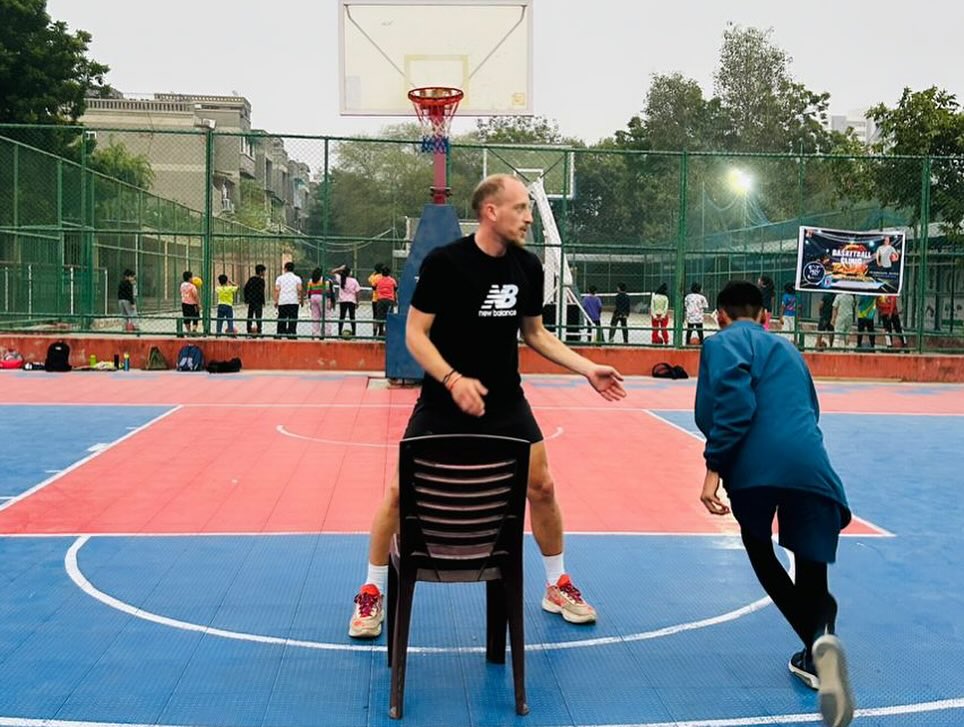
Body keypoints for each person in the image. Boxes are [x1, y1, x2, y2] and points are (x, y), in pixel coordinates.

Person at [348, 174, 626, 639]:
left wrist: (587, 368)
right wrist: (452, 379)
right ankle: (372, 589)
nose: (529, 217)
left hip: (504, 400)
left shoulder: (527, 267)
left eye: (529, 209)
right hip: (443, 397)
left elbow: (535, 333)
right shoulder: (444, 263)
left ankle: (557, 583)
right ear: (491, 211)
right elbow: (415, 334)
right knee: (399, 493)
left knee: (542, 486)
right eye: (521, 208)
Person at [695, 280, 854, 727]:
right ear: (766, 316)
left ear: (720, 316)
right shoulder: (789, 350)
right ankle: (819, 643)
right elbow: (810, 409)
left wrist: (713, 469)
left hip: (754, 467)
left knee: (759, 547)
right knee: (810, 561)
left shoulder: (721, 342)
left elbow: (731, 406)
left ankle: (816, 639)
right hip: (810, 464)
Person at [274, 261, 303, 339]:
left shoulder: (280, 278)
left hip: (283, 301)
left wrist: (276, 301)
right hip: (293, 301)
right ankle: (292, 334)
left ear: (285, 269)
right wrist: (301, 300)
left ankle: (280, 334)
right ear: (293, 269)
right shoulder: (297, 278)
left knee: (282, 319)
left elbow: (277, 290)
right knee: (293, 319)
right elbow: (300, 289)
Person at [333, 265, 360, 337]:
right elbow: (357, 292)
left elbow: (333, 272)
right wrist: (357, 302)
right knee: (352, 317)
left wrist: (340, 268)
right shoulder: (354, 281)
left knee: (342, 316)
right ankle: (354, 333)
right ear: (349, 273)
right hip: (351, 301)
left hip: (343, 301)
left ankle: (339, 332)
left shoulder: (341, 279)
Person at [374, 265, 397, 337]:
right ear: (389, 273)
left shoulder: (378, 280)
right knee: (389, 316)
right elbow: (395, 289)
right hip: (390, 300)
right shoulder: (392, 280)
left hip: (380, 300)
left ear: (382, 273)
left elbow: (374, 287)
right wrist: (395, 300)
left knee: (380, 316)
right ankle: (388, 332)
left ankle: (380, 332)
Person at [243, 264, 267, 335]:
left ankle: (249, 330)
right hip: (258, 301)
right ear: (260, 272)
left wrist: (246, 299)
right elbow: (261, 292)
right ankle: (259, 331)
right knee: (258, 316)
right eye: (263, 271)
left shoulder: (251, 279)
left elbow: (245, 289)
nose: (264, 273)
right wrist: (263, 302)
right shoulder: (261, 281)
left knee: (250, 315)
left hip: (251, 301)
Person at [306, 267, 328, 339]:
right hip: (321, 297)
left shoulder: (311, 280)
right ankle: (324, 332)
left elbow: (308, 291)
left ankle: (314, 333)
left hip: (313, 297)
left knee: (315, 316)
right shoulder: (323, 280)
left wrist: (309, 299)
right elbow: (327, 290)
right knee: (324, 316)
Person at [180, 271, 200, 335]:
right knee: (195, 317)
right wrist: (198, 304)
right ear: (189, 278)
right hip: (193, 305)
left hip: (184, 304)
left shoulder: (182, 285)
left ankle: (188, 331)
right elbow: (195, 296)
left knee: (186, 318)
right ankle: (194, 329)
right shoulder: (192, 286)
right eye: (191, 277)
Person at [368, 265, 383, 334]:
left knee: (375, 316)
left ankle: (374, 331)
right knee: (382, 316)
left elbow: (369, 279)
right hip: (382, 299)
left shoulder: (374, 277)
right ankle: (381, 331)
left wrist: (374, 273)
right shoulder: (385, 277)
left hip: (375, 299)